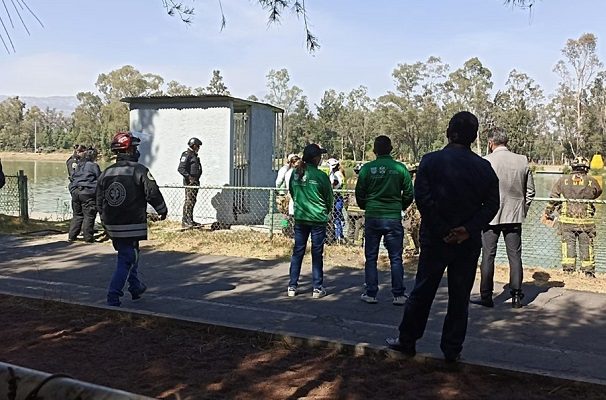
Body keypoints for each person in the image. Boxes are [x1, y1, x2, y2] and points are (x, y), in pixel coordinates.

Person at [386, 111, 499, 362]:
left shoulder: (430, 161)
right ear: (474, 136)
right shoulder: (484, 167)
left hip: (435, 239)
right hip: (467, 243)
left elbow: (423, 199)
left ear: (450, 133)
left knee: (423, 290)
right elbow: (492, 205)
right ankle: (452, 349)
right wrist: (467, 229)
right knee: (460, 297)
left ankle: (407, 341)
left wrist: (441, 229)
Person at [97, 131, 168, 307]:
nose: (137, 152)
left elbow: (98, 199)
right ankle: (113, 296)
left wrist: (104, 221)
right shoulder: (139, 170)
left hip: (113, 224)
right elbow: (152, 192)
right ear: (128, 150)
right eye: (135, 148)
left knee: (131, 253)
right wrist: (162, 209)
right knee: (127, 257)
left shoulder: (106, 173)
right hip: (131, 223)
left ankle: (135, 286)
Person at [471, 128, 535, 309]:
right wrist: (522, 208)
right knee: (515, 256)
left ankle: (486, 296)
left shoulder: (485, 161)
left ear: (491, 143)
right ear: (507, 142)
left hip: (490, 217)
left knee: (488, 256)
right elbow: (530, 191)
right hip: (514, 216)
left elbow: (478, 192)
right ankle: (516, 296)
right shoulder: (522, 160)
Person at [355, 136, 414, 305]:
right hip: (393, 217)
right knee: (396, 257)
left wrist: (366, 205)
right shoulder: (400, 168)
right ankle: (398, 294)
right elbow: (409, 192)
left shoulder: (367, 169)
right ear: (391, 149)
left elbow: (360, 193)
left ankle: (371, 293)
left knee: (371, 257)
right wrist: (400, 206)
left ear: (374, 150)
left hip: (373, 216)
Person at [287, 143, 333, 299]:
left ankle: (292, 285)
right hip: (318, 219)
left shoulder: (295, 173)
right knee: (317, 253)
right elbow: (329, 198)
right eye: (320, 156)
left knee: (298, 251)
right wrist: (325, 210)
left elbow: (293, 193)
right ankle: (317, 287)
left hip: (301, 218)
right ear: (316, 158)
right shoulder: (320, 176)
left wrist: (301, 206)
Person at [544, 156, 602, 278]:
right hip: (586, 221)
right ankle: (588, 272)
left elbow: (553, 197)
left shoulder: (563, 180)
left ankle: (568, 271)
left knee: (568, 245)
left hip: (566, 220)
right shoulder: (592, 181)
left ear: (573, 167)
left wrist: (548, 211)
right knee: (587, 245)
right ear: (586, 168)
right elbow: (598, 192)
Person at [68, 147, 101, 243]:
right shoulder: (93, 166)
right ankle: (88, 238)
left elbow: (73, 177)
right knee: (89, 215)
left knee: (77, 215)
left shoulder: (78, 165)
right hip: (88, 193)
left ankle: (72, 236)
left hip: (76, 192)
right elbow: (100, 179)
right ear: (93, 156)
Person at [178, 137, 203, 228]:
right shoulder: (187, 155)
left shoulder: (194, 155)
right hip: (190, 182)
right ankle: (185, 221)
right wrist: (189, 177)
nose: (199, 148)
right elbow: (181, 169)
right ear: (194, 145)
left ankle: (190, 219)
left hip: (195, 181)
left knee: (192, 200)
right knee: (189, 201)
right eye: (198, 146)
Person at [276, 153, 300, 237]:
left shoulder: (296, 171)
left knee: (290, 214)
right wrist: (279, 190)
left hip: (290, 194)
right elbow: (278, 181)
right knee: (285, 215)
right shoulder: (285, 170)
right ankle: (284, 229)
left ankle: (289, 230)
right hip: (284, 194)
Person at [327, 158, 346, 244]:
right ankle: (284, 229)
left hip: (337, 198)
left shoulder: (337, 174)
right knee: (285, 218)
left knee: (336, 217)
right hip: (335, 197)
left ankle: (338, 236)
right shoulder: (334, 173)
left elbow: (335, 184)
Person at [346, 163, 365, 246]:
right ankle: (358, 245)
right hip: (360, 209)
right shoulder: (364, 181)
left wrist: (346, 206)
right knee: (359, 228)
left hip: (350, 208)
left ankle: (349, 243)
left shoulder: (349, 180)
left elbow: (345, 195)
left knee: (350, 227)